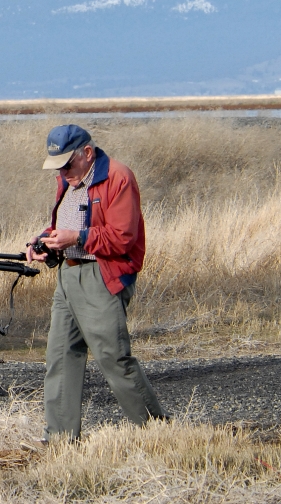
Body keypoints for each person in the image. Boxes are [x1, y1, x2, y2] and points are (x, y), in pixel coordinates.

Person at [28, 124, 167, 440]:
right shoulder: (69, 179)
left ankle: (158, 432)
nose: (63, 173)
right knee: (60, 356)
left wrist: (76, 237)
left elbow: (123, 238)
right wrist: (43, 242)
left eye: (67, 164)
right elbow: (66, 226)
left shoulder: (118, 177)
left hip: (101, 276)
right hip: (68, 276)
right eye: (58, 167)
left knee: (112, 357)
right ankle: (60, 439)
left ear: (87, 153)